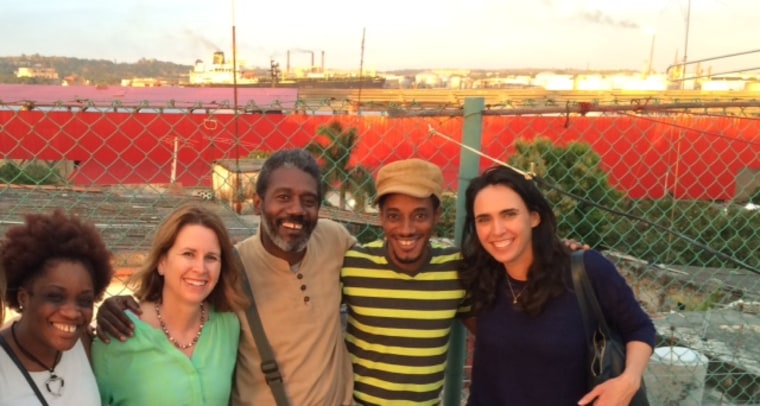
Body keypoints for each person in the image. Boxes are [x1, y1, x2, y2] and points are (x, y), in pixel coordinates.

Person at [96, 149, 357, 405]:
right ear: (258, 204)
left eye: (308, 201)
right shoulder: (233, 268)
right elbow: (184, 292)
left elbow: (378, 269)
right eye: (283, 197)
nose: (297, 210)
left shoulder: (335, 240)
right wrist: (114, 308)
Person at [459, 165, 655, 406]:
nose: (497, 230)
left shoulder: (585, 271)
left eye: (509, 214)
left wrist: (629, 380)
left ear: (534, 217)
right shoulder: (478, 276)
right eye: (484, 219)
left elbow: (639, 328)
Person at [341, 158, 470, 405]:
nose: (406, 229)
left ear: (436, 216)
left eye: (419, 215)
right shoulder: (354, 265)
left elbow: (493, 332)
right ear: (381, 217)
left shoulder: (456, 269)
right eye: (394, 216)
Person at [91, 203, 248, 405]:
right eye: (188, 254)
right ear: (162, 262)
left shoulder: (228, 326)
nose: (200, 268)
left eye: (211, 257)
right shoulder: (117, 337)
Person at [0, 209, 113, 405]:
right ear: (23, 297)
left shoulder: (83, 343)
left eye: (85, 300)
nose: (72, 313)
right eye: (55, 297)